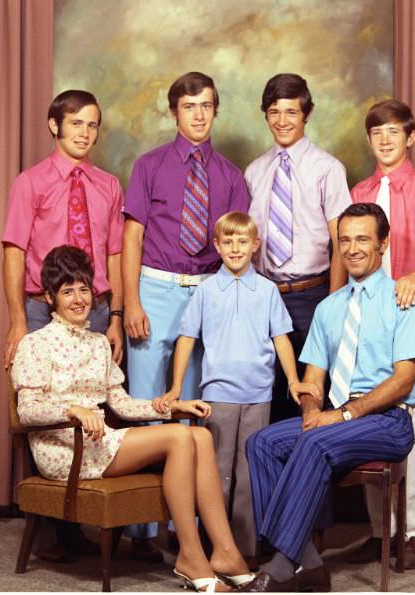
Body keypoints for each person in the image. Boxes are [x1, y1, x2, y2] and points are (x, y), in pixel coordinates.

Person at [11, 245, 253, 592]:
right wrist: (72, 410)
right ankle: (191, 556)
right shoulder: (35, 344)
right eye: (67, 292)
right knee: (180, 437)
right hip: (65, 450)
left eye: (84, 289)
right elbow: (27, 410)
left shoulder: (98, 343)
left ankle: (225, 552)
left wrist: (173, 407)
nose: (79, 299)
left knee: (198, 435)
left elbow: (121, 404)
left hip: (99, 442)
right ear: (50, 297)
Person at [240, 203, 415, 592]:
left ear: (383, 243)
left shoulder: (404, 299)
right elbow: (313, 377)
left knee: (315, 442)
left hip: (387, 420)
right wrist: (311, 409)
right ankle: (309, 562)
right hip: (336, 418)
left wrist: (342, 415)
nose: (353, 248)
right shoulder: (329, 307)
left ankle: (279, 566)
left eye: (363, 239)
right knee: (261, 443)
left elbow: (404, 381)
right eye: (345, 240)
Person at [122, 72, 250, 553]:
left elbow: (236, 248)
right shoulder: (149, 165)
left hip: (206, 293)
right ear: (174, 112)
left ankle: (183, 527)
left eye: (207, 106)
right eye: (190, 105)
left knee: (195, 414)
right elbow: (131, 236)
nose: (199, 114)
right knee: (149, 404)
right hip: (154, 288)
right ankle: (140, 529)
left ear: (215, 111)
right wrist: (130, 300)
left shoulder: (231, 177)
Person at [153, 211, 321, 561]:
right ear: (216, 245)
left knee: (248, 477)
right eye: (227, 241)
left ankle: (244, 549)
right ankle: (212, 546)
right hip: (217, 397)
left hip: (258, 397)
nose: (235, 248)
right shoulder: (206, 290)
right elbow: (186, 339)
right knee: (214, 474)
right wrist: (175, 388)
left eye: (242, 241)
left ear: (255, 245)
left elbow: (281, 339)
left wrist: (292, 380)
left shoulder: (268, 291)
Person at [1, 90, 125, 560]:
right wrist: (18, 322)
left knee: (98, 404)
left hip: (93, 305)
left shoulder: (108, 185)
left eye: (93, 125)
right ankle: (54, 525)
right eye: (76, 123)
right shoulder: (31, 182)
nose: (85, 133)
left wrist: (113, 313)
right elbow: (14, 249)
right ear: (54, 125)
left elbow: (113, 252)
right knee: (47, 406)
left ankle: (89, 515)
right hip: (40, 304)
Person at [346, 99, 415, 570]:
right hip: (365, 315)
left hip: (408, 313)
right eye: (377, 133)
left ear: (409, 137)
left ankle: (411, 532)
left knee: (411, 417)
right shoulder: (362, 189)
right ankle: (380, 532)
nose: (386, 140)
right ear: (370, 140)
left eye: (394, 131)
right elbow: (347, 253)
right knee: (368, 413)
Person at [244, 73, 351, 423]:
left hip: (312, 295)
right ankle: (272, 476)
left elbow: (341, 243)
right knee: (269, 390)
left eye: (291, 111)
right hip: (266, 294)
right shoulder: (255, 171)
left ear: (307, 113)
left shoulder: (328, 169)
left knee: (312, 393)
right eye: (274, 111)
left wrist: (333, 303)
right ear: (265, 115)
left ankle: (311, 474)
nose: (282, 120)